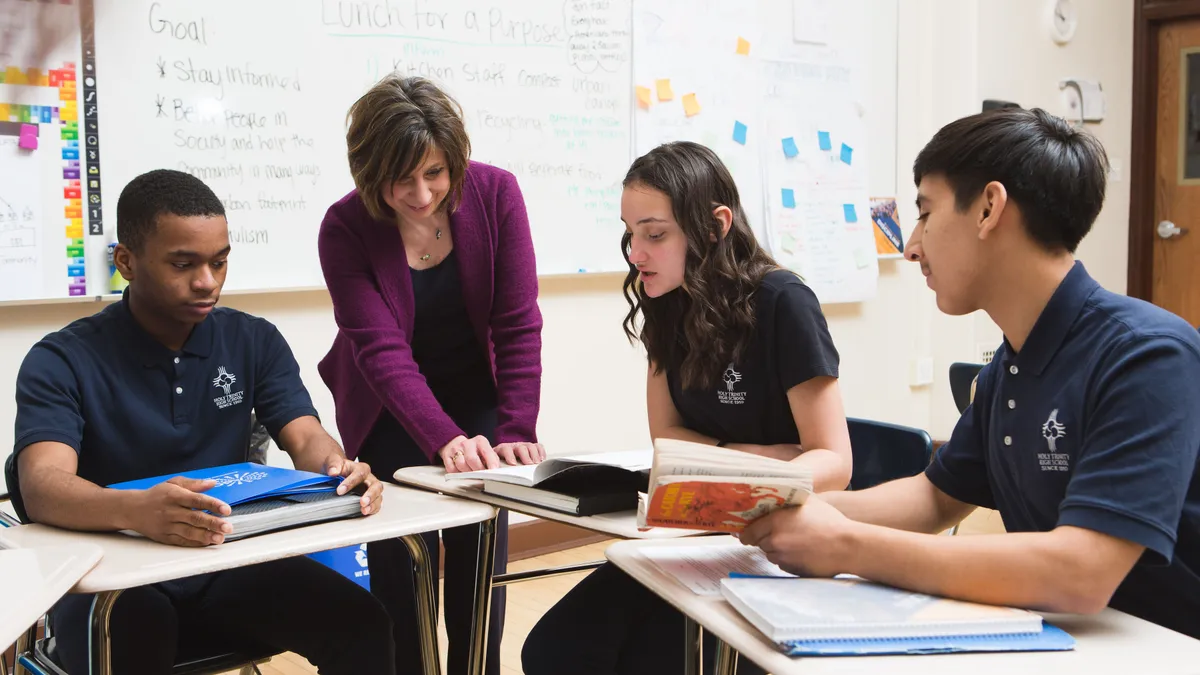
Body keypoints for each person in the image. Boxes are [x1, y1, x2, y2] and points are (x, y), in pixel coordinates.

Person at [741, 107, 1200, 640]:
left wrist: (845, 545)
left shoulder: (1148, 355)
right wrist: (776, 510)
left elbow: (1083, 571)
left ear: (988, 209)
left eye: (925, 213)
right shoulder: (1010, 366)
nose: (912, 247)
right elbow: (935, 498)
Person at [12, 169, 395, 674]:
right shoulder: (62, 359)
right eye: (183, 264)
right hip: (109, 580)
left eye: (219, 262)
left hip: (222, 564)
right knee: (138, 634)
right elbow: (41, 485)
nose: (207, 281)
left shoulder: (253, 340)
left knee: (360, 621)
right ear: (126, 262)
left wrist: (339, 468)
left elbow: (305, 435)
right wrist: (136, 512)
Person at [521, 141, 854, 675]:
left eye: (655, 234)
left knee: (649, 659)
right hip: (695, 535)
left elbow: (834, 461)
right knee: (553, 650)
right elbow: (668, 441)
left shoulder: (783, 302)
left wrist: (721, 466)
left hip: (775, 544)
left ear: (715, 225)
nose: (636, 253)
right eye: (630, 233)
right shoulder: (666, 304)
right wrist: (763, 455)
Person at [317, 74, 545, 675]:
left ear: (455, 161)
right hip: (390, 411)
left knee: (479, 568)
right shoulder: (344, 228)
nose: (421, 194)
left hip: (479, 401)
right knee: (400, 572)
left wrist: (516, 425)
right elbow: (381, 351)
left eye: (436, 173)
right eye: (401, 179)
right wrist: (441, 438)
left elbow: (517, 322)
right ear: (370, 175)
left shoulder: (496, 194)